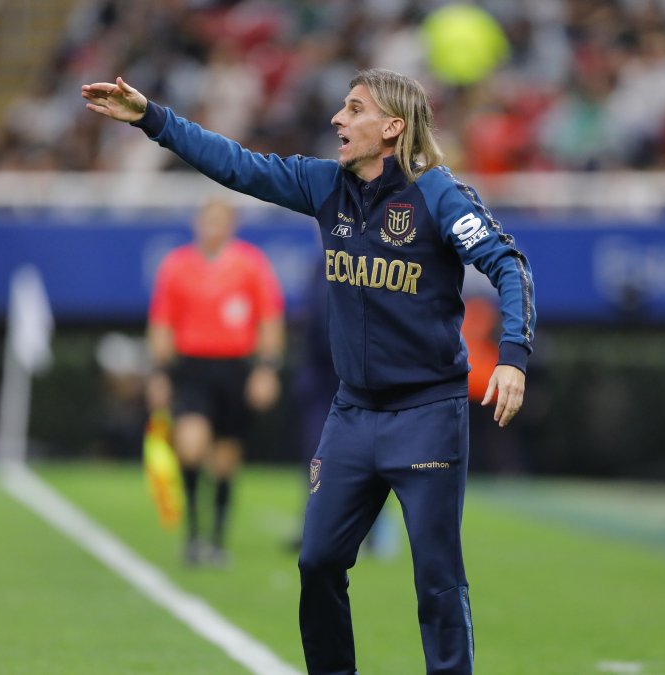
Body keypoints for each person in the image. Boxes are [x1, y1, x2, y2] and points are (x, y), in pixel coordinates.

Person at [84, 68, 536, 675]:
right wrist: (152, 118)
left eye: (354, 110)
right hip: (352, 414)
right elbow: (236, 165)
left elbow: (508, 264)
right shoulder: (326, 186)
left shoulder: (437, 195)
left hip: (428, 414)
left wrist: (512, 358)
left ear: (392, 128)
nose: (338, 120)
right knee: (317, 560)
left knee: (436, 578)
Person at [146, 198, 285, 566]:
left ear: (231, 224)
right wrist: (160, 372)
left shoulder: (250, 265)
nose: (212, 227)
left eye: (220, 220)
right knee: (190, 446)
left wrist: (266, 368)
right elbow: (161, 323)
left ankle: (217, 539)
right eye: (207, 220)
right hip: (193, 368)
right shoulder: (177, 266)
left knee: (225, 459)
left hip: (235, 368)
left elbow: (269, 319)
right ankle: (193, 533)